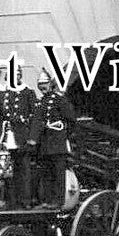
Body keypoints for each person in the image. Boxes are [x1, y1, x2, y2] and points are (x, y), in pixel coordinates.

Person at [28, 70, 75, 206]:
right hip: (45, 143)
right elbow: (36, 122)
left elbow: (71, 120)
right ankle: (48, 201)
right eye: (40, 84)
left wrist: (64, 136)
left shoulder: (59, 99)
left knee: (58, 174)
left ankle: (58, 201)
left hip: (57, 142)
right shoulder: (40, 102)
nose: (42, 86)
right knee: (47, 174)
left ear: (51, 84)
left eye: (45, 83)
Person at [1, 80, 37, 207]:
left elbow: (34, 117)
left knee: (25, 170)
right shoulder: (5, 92)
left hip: (22, 135)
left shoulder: (28, 93)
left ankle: (26, 200)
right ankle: (12, 200)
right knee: (8, 170)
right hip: (8, 135)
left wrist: (31, 137)